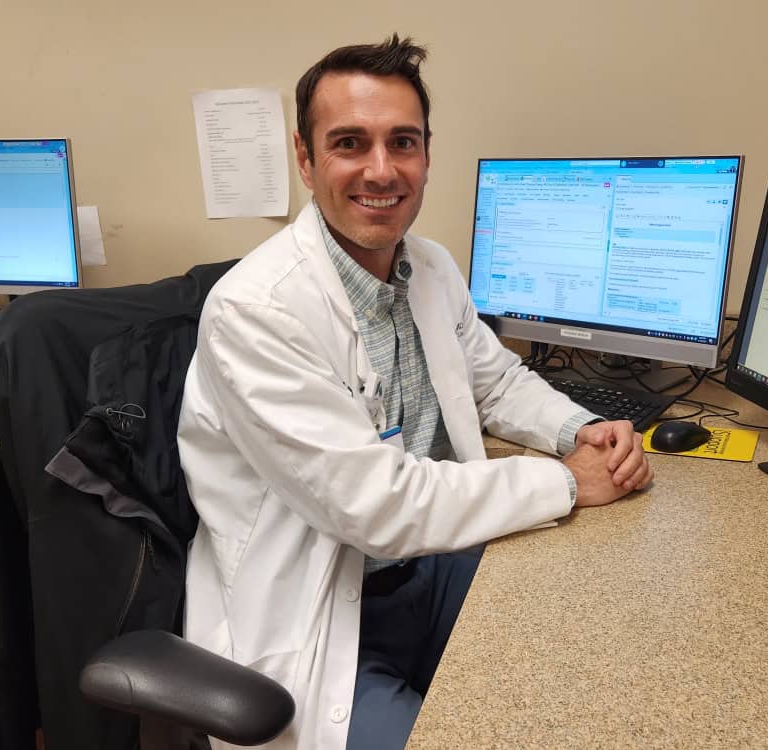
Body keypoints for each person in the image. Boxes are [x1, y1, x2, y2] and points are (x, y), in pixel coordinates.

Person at [177, 34, 653, 750]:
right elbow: (377, 506)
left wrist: (578, 429)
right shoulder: (256, 311)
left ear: (427, 154)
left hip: (429, 571)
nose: (382, 169)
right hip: (324, 617)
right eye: (349, 143)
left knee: (595, 666)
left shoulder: (428, 267)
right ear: (305, 158)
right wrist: (566, 482)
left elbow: (495, 382)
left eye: (403, 142)